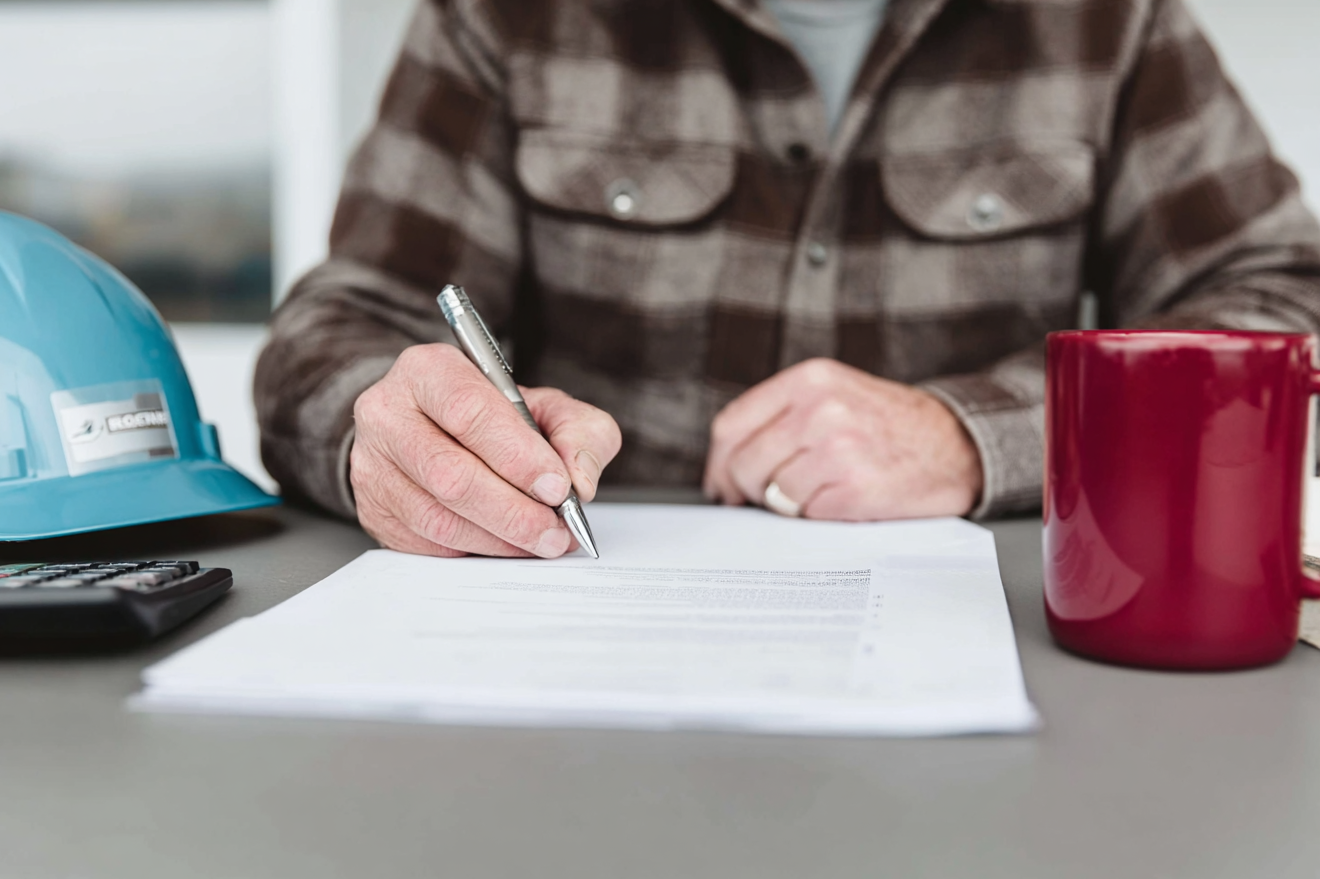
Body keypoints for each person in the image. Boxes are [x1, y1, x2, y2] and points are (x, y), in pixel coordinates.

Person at [255, 0, 1320, 559]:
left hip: (1001, 644)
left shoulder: (1112, 18)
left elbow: (1282, 302)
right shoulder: (505, 14)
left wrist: (972, 435)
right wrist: (387, 436)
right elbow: (344, 321)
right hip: (566, 637)